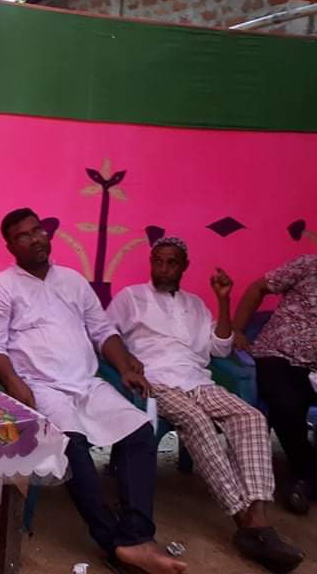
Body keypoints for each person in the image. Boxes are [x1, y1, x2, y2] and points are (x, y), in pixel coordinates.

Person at [0, 208, 186, 574]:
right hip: (40, 386)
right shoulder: (3, 286)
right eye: (23, 236)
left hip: (87, 382)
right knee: (71, 443)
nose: (35, 238)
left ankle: (137, 536)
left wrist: (124, 367)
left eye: (37, 230)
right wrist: (13, 382)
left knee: (140, 430)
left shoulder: (73, 280)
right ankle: (114, 542)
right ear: (10, 246)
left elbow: (102, 330)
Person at [109, 237, 303, 572]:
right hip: (156, 380)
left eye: (172, 262)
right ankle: (244, 521)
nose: (163, 268)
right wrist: (126, 362)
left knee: (251, 417)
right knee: (196, 422)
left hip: (197, 380)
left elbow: (220, 347)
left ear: (184, 267)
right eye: (158, 261)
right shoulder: (131, 297)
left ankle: (258, 518)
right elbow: (105, 334)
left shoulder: (196, 304)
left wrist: (223, 300)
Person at [233, 254, 317, 515]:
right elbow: (258, 287)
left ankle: (307, 480)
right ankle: (306, 474)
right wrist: (238, 329)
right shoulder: (308, 265)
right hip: (277, 355)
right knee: (286, 402)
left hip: (314, 368)